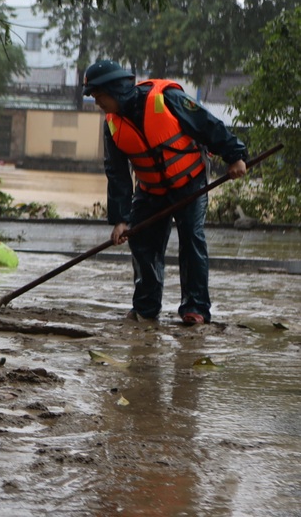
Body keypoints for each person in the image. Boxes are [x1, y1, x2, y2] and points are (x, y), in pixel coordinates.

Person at [82, 58, 248, 326]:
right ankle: (146, 308)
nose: (97, 103)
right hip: (149, 190)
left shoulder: (167, 98)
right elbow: (117, 173)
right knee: (142, 242)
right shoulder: (111, 124)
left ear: (116, 89)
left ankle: (195, 309)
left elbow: (206, 124)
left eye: (99, 96)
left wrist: (235, 156)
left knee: (192, 239)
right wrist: (121, 219)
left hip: (190, 182)